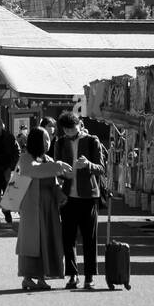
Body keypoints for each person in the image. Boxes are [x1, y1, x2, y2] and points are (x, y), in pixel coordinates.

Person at [54, 110, 106, 291]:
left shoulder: (92, 141)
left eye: (72, 129)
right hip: (67, 196)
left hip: (88, 196)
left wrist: (88, 165)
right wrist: (60, 173)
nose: (69, 133)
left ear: (80, 125)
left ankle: (90, 276)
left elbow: (101, 168)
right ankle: (73, 274)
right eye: (66, 130)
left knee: (89, 238)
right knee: (68, 238)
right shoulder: (60, 142)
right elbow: (56, 167)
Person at [15, 126, 72, 290]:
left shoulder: (48, 159)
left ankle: (41, 276)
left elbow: (53, 183)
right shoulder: (25, 158)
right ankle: (27, 277)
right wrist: (57, 166)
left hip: (48, 207)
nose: (48, 141)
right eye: (45, 138)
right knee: (32, 242)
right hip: (31, 207)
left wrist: (61, 196)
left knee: (46, 241)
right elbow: (32, 171)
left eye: (49, 138)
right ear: (36, 140)